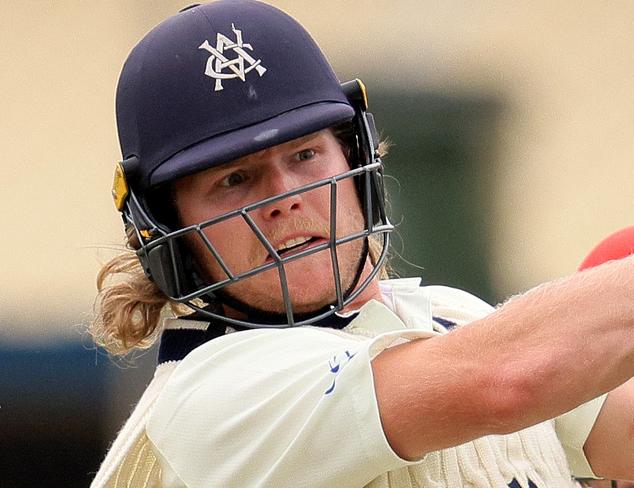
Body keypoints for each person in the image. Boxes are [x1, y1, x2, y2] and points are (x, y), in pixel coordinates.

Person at [90, 1, 634, 487]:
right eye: (234, 180)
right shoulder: (212, 397)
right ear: (162, 223)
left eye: (305, 156)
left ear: (356, 158)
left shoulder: (454, 317)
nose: (285, 197)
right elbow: (503, 381)